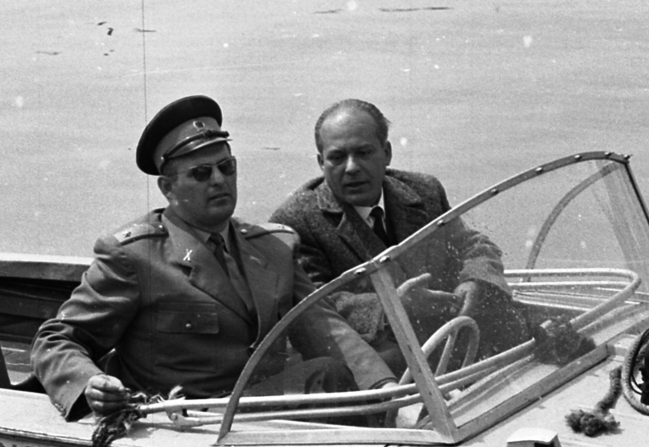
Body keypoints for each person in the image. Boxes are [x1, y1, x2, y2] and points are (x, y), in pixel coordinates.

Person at [33, 96, 393, 419]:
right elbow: (57, 339)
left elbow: (324, 327)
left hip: (259, 414)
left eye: (227, 167)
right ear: (168, 188)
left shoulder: (274, 247)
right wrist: (93, 382)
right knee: (324, 378)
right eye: (201, 173)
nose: (219, 180)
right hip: (185, 426)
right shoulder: (135, 256)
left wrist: (385, 391)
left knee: (330, 371)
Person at [270, 99, 532, 372]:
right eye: (337, 157)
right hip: (384, 359)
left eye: (363, 152)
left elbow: (471, 244)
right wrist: (395, 306)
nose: (351, 168)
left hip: (450, 335)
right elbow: (316, 307)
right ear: (321, 162)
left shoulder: (424, 190)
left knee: (511, 323)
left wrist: (475, 281)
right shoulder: (296, 222)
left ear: (387, 153)